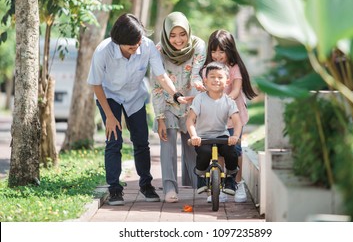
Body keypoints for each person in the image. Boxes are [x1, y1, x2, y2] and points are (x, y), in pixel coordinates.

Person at [87, 13, 189, 206]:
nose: (136, 49)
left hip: (134, 97)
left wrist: (176, 95)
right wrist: (109, 115)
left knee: (141, 141)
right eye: (131, 47)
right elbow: (96, 84)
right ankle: (115, 190)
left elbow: (161, 76)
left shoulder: (147, 46)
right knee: (114, 141)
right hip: (109, 96)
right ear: (119, 42)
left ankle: (146, 185)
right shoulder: (103, 51)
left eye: (138, 43)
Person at [151, 11, 206, 203]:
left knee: (193, 143)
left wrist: (197, 84)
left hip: (191, 101)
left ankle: (199, 185)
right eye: (172, 35)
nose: (178, 40)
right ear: (166, 35)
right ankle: (169, 188)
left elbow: (196, 72)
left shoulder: (198, 45)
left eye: (182, 34)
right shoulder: (158, 51)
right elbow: (157, 86)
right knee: (168, 142)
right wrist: (159, 118)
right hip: (167, 103)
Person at [203, 29, 258, 203]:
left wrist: (223, 100)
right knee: (218, 150)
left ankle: (237, 183)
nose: (217, 55)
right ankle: (218, 187)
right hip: (215, 119)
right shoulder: (207, 69)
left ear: (230, 50)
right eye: (214, 51)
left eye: (221, 51)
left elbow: (235, 89)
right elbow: (205, 88)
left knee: (234, 151)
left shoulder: (234, 68)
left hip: (234, 117)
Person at [186, 62, 242, 196]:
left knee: (231, 153)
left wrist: (235, 136)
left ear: (227, 81)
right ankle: (201, 177)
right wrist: (194, 136)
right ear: (205, 80)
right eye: (212, 76)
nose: (216, 80)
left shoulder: (229, 101)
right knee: (204, 153)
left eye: (220, 77)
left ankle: (230, 179)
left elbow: (237, 122)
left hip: (221, 136)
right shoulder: (200, 99)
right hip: (203, 137)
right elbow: (190, 120)